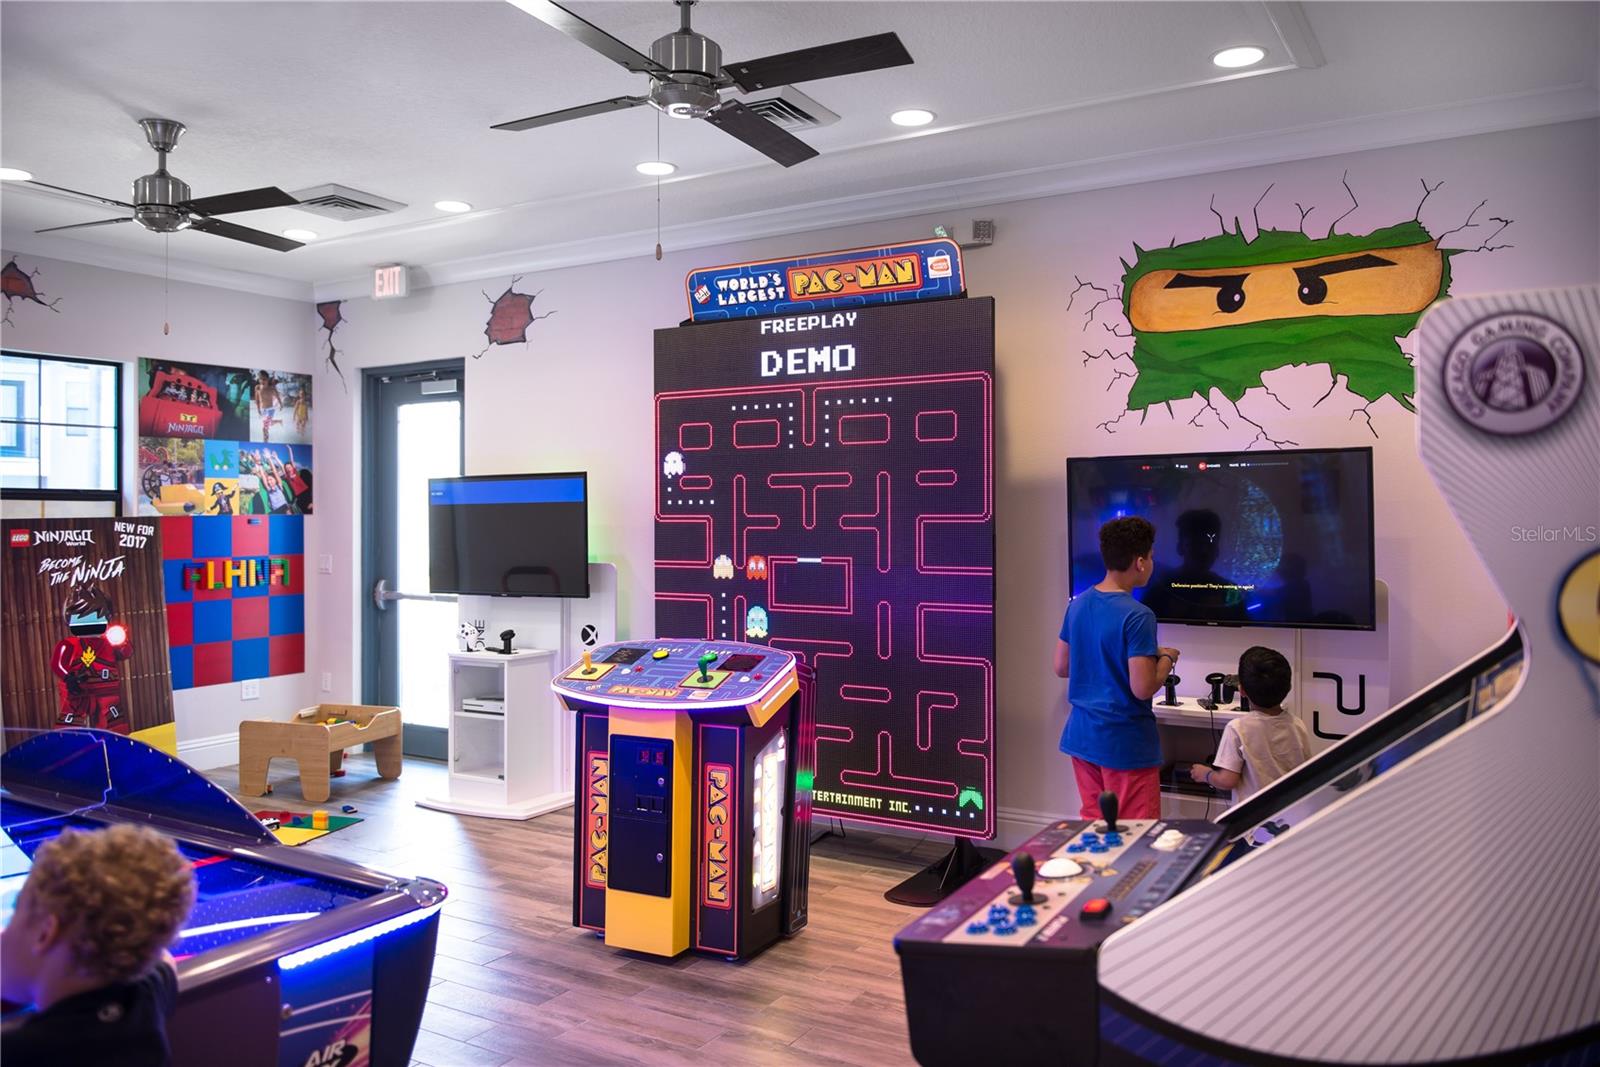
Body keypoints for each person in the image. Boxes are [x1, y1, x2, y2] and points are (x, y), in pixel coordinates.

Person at [0, 824, 196, 1067]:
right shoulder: (143, 1002)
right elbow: (162, 959)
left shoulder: (16, 1051)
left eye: (15, 914)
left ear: (45, 933)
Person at [1053, 516, 1179, 819]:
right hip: (1125, 744)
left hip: (1083, 738)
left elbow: (1061, 666)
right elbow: (1143, 687)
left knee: (1097, 826)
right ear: (1140, 562)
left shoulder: (1078, 604)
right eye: (1151, 556)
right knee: (1136, 832)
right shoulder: (1139, 615)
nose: (1152, 563)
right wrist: (1167, 659)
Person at [1190, 645, 1311, 804]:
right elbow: (1305, 770)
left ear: (1241, 690)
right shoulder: (1297, 724)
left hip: (1252, 814)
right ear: (1288, 687)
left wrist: (1205, 774)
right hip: (1289, 809)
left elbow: (1227, 780)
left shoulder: (1237, 728)